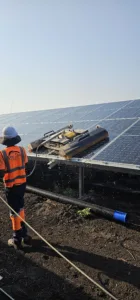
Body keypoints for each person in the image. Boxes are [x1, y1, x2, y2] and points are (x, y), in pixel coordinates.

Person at [0, 126, 32, 249]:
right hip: (22, 185)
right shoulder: (22, 150)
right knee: (20, 208)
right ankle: (24, 234)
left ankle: (16, 239)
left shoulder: (2, 154)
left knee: (13, 212)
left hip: (11, 187)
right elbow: (25, 166)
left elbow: (1, 172)